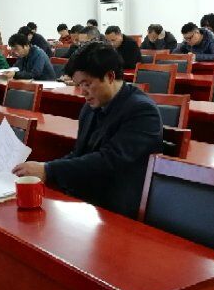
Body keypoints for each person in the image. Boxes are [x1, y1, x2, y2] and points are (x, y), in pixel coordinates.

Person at [13, 41, 163, 217]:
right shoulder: (90, 107)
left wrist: (49, 171)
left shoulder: (142, 111)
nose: (82, 91)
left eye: (87, 84)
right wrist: (45, 168)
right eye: (78, 85)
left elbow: (109, 161)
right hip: (88, 194)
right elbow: (79, 154)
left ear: (110, 76)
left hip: (117, 204)